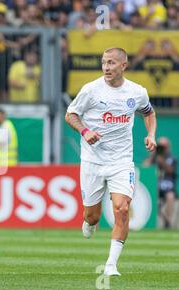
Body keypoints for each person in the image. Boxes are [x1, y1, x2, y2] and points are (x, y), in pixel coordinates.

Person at [65, 47, 157, 276]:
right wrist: (85, 131)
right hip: (92, 162)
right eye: (104, 62)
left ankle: (110, 265)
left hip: (121, 161)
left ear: (123, 66)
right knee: (92, 216)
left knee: (122, 208)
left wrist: (151, 134)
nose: (106, 67)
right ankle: (88, 222)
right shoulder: (91, 90)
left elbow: (149, 112)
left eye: (112, 63)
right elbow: (70, 114)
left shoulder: (137, 92)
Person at [143, 137, 177, 228]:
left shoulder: (171, 158)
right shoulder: (153, 157)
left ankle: (168, 222)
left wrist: (162, 161)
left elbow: (171, 170)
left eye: (163, 147)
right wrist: (153, 154)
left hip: (167, 186)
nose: (161, 149)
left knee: (170, 197)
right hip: (154, 186)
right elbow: (144, 167)